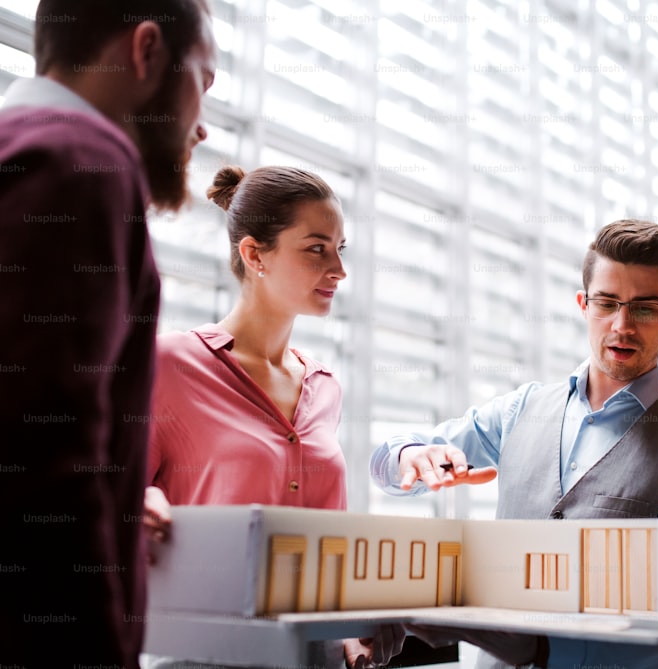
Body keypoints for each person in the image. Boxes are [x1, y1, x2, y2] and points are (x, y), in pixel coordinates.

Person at [370, 219, 658, 668]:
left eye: (643, 308)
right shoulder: (521, 410)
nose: (622, 325)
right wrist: (409, 455)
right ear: (583, 304)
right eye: (606, 303)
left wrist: (539, 648)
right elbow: (386, 461)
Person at [0, 1, 216, 666]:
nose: (201, 127)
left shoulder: (23, 149)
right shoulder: (78, 162)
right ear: (146, 50)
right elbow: (42, 461)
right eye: (200, 83)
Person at [143, 165, 404, 669]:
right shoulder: (170, 365)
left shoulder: (324, 385)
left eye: (339, 249)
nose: (339, 269)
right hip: (205, 656)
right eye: (316, 248)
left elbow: (331, 534)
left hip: (317, 656)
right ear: (254, 254)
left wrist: (354, 630)